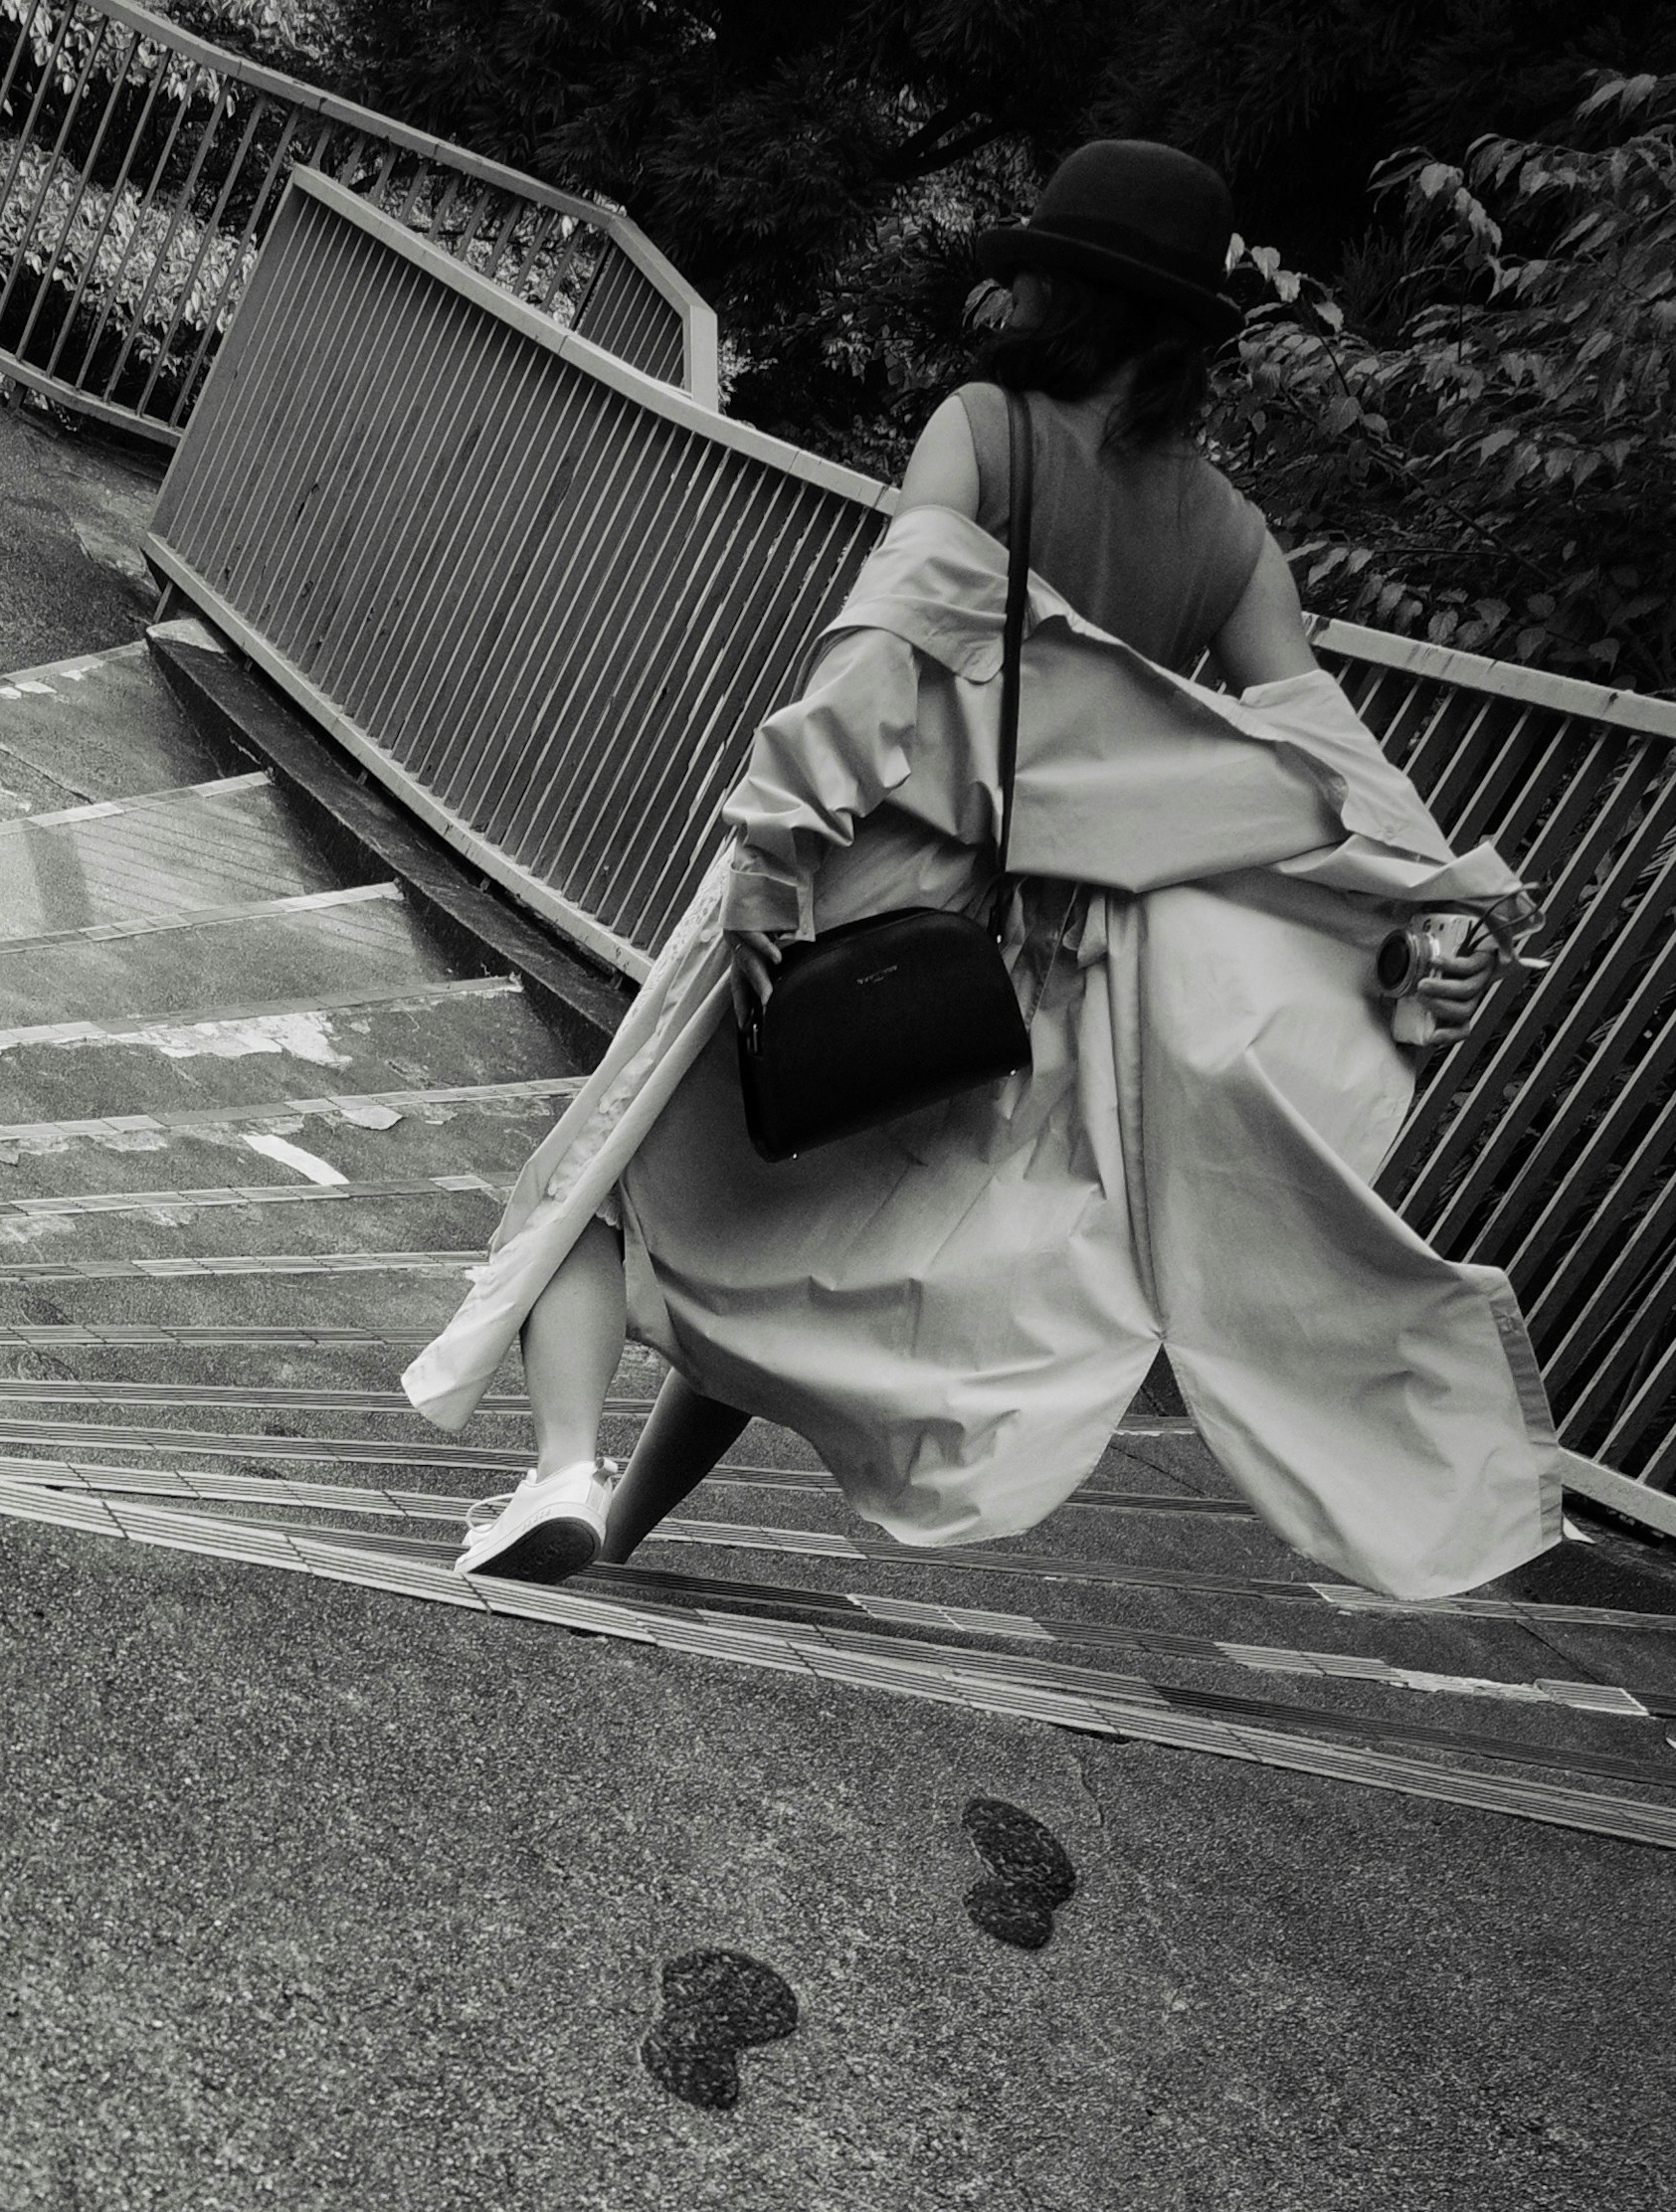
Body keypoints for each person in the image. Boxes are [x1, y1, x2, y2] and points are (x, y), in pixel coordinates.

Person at [416, 138, 1559, 1609]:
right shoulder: (1228, 538)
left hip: (864, 872)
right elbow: (1325, 781)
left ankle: (563, 1467)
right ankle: (623, 1530)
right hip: (1027, 964)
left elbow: (881, 657)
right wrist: (1437, 917)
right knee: (804, 1228)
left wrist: (773, 854)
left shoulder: (986, 431)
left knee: (611, 1182)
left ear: (1066, 297)